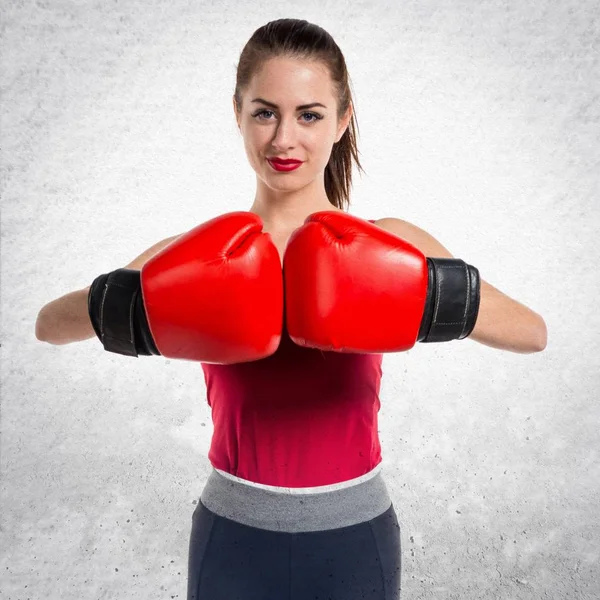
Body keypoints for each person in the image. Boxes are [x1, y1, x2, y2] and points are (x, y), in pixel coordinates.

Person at [35, 18, 548, 600]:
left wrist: (421, 291)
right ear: (237, 113)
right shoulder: (196, 255)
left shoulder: (390, 245)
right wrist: (136, 305)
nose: (284, 139)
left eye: (309, 114)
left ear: (342, 119)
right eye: (264, 112)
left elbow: (532, 334)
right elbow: (48, 327)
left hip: (355, 541)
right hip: (231, 538)